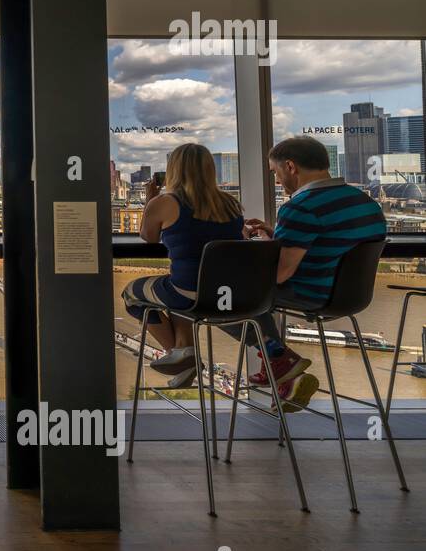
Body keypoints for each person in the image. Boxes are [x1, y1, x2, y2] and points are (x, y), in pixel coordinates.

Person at [238, 135, 386, 411]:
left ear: (291, 166)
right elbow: (329, 245)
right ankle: (282, 371)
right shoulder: (366, 203)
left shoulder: (300, 207)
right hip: (353, 298)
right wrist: (277, 239)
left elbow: (278, 276)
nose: (278, 180)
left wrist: (247, 250)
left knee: (225, 294)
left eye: (276, 172)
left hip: (312, 294)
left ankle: (279, 358)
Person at [121, 143, 245, 387]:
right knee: (179, 296)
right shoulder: (231, 204)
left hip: (187, 292)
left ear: (173, 170)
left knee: (131, 295)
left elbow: (149, 236)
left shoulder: (166, 202)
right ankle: (183, 352)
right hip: (225, 294)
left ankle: (178, 355)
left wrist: (151, 201)